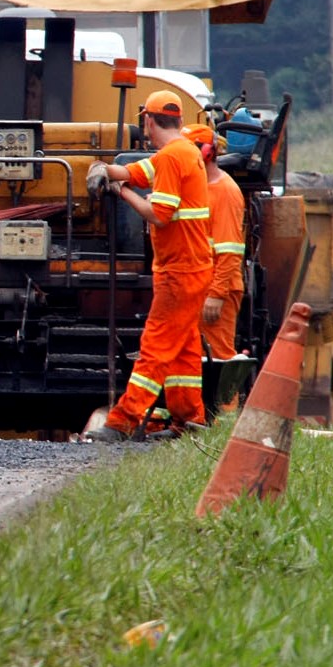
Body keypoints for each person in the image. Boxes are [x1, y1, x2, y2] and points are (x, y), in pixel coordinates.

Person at [90, 90, 213, 439]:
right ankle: (190, 421)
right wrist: (104, 168)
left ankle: (123, 421)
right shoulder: (181, 151)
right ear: (177, 119)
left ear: (148, 120)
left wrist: (121, 191)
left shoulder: (172, 157)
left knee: (156, 346)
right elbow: (136, 170)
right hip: (189, 267)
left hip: (181, 270)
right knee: (184, 349)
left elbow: (159, 215)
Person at [183, 122, 246, 364]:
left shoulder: (225, 192)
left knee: (218, 358)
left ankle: (223, 404)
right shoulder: (195, 186)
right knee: (195, 360)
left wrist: (217, 295)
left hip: (216, 290)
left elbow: (230, 250)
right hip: (197, 287)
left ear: (206, 153)